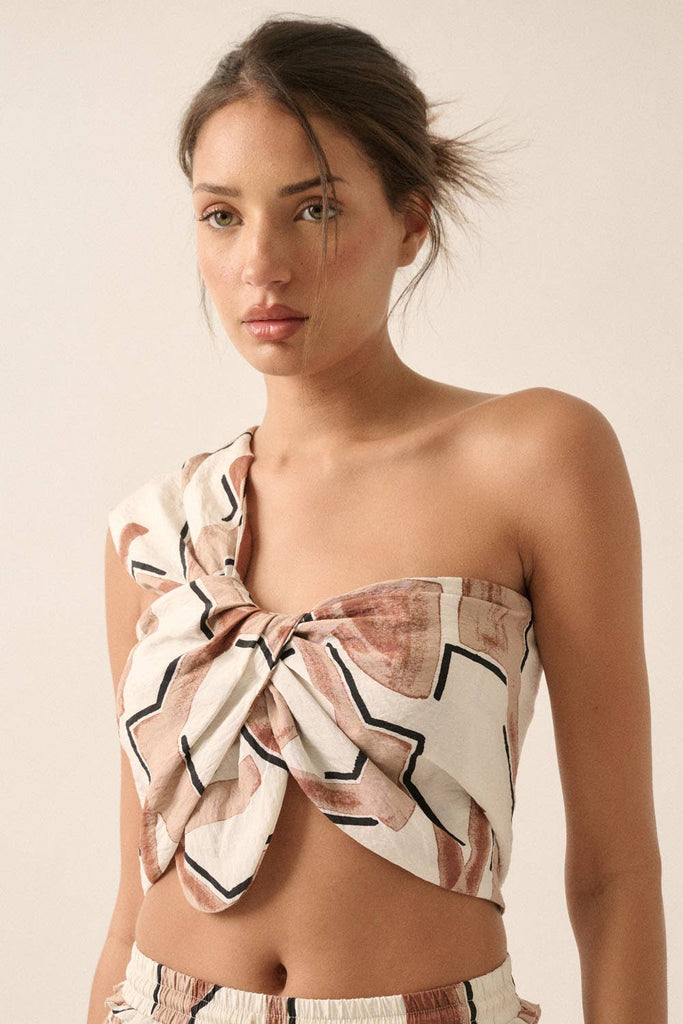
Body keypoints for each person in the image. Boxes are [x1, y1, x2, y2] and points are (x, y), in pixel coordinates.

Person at [88, 14, 667, 1024]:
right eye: (221, 215)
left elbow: (614, 871)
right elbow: (135, 888)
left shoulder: (535, 456)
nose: (260, 262)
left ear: (410, 221)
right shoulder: (158, 529)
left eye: (312, 209)